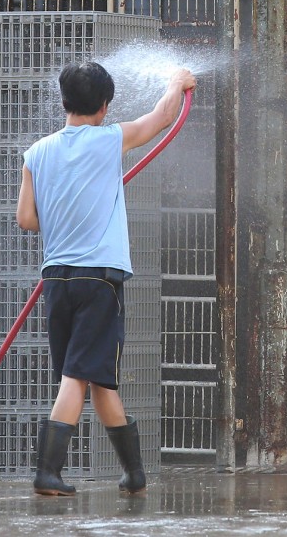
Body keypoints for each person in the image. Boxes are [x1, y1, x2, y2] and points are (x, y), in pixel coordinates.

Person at [16, 60, 196, 496]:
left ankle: (134, 474)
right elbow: (162, 117)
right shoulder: (109, 139)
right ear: (104, 106)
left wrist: (63, 219)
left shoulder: (37, 152)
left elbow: (26, 219)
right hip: (98, 277)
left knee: (98, 377)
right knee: (79, 375)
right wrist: (176, 82)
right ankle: (48, 473)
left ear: (64, 102)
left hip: (58, 278)